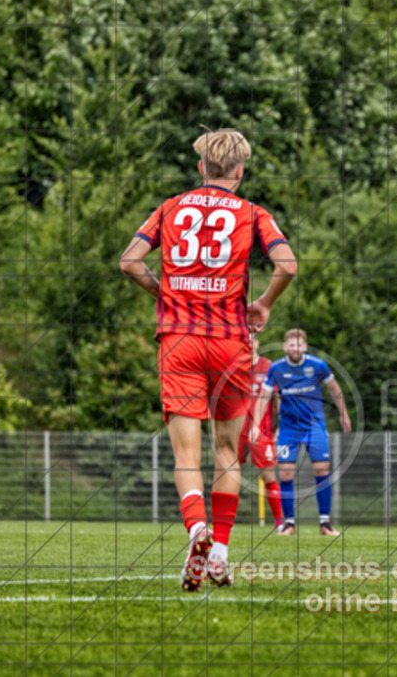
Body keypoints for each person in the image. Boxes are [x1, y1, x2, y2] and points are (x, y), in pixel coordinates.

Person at [119, 127, 297, 590]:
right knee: (226, 450)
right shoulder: (254, 213)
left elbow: (129, 261)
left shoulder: (170, 208)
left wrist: (163, 293)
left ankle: (197, 528)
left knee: (186, 452)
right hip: (229, 342)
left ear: (201, 167)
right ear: (239, 171)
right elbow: (288, 265)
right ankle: (218, 553)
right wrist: (265, 304)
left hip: (179, 339)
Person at [251, 328, 351, 536]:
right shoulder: (276, 368)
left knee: (322, 470)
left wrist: (343, 413)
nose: (295, 348)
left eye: (298, 345)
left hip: (314, 426)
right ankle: (289, 523)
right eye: (291, 345)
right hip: (288, 427)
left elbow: (334, 388)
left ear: (304, 346)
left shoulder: (318, 365)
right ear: (285, 347)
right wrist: (255, 425)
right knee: (285, 473)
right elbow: (264, 397)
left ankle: (325, 523)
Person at [237, 336, 284, 530]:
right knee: (228, 474)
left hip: (262, 431)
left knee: (268, 476)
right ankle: (226, 522)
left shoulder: (268, 366)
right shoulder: (234, 367)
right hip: (235, 429)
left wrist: (282, 425)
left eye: (251, 340)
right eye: (243, 340)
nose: (248, 344)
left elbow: (279, 397)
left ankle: (279, 522)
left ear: (257, 343)